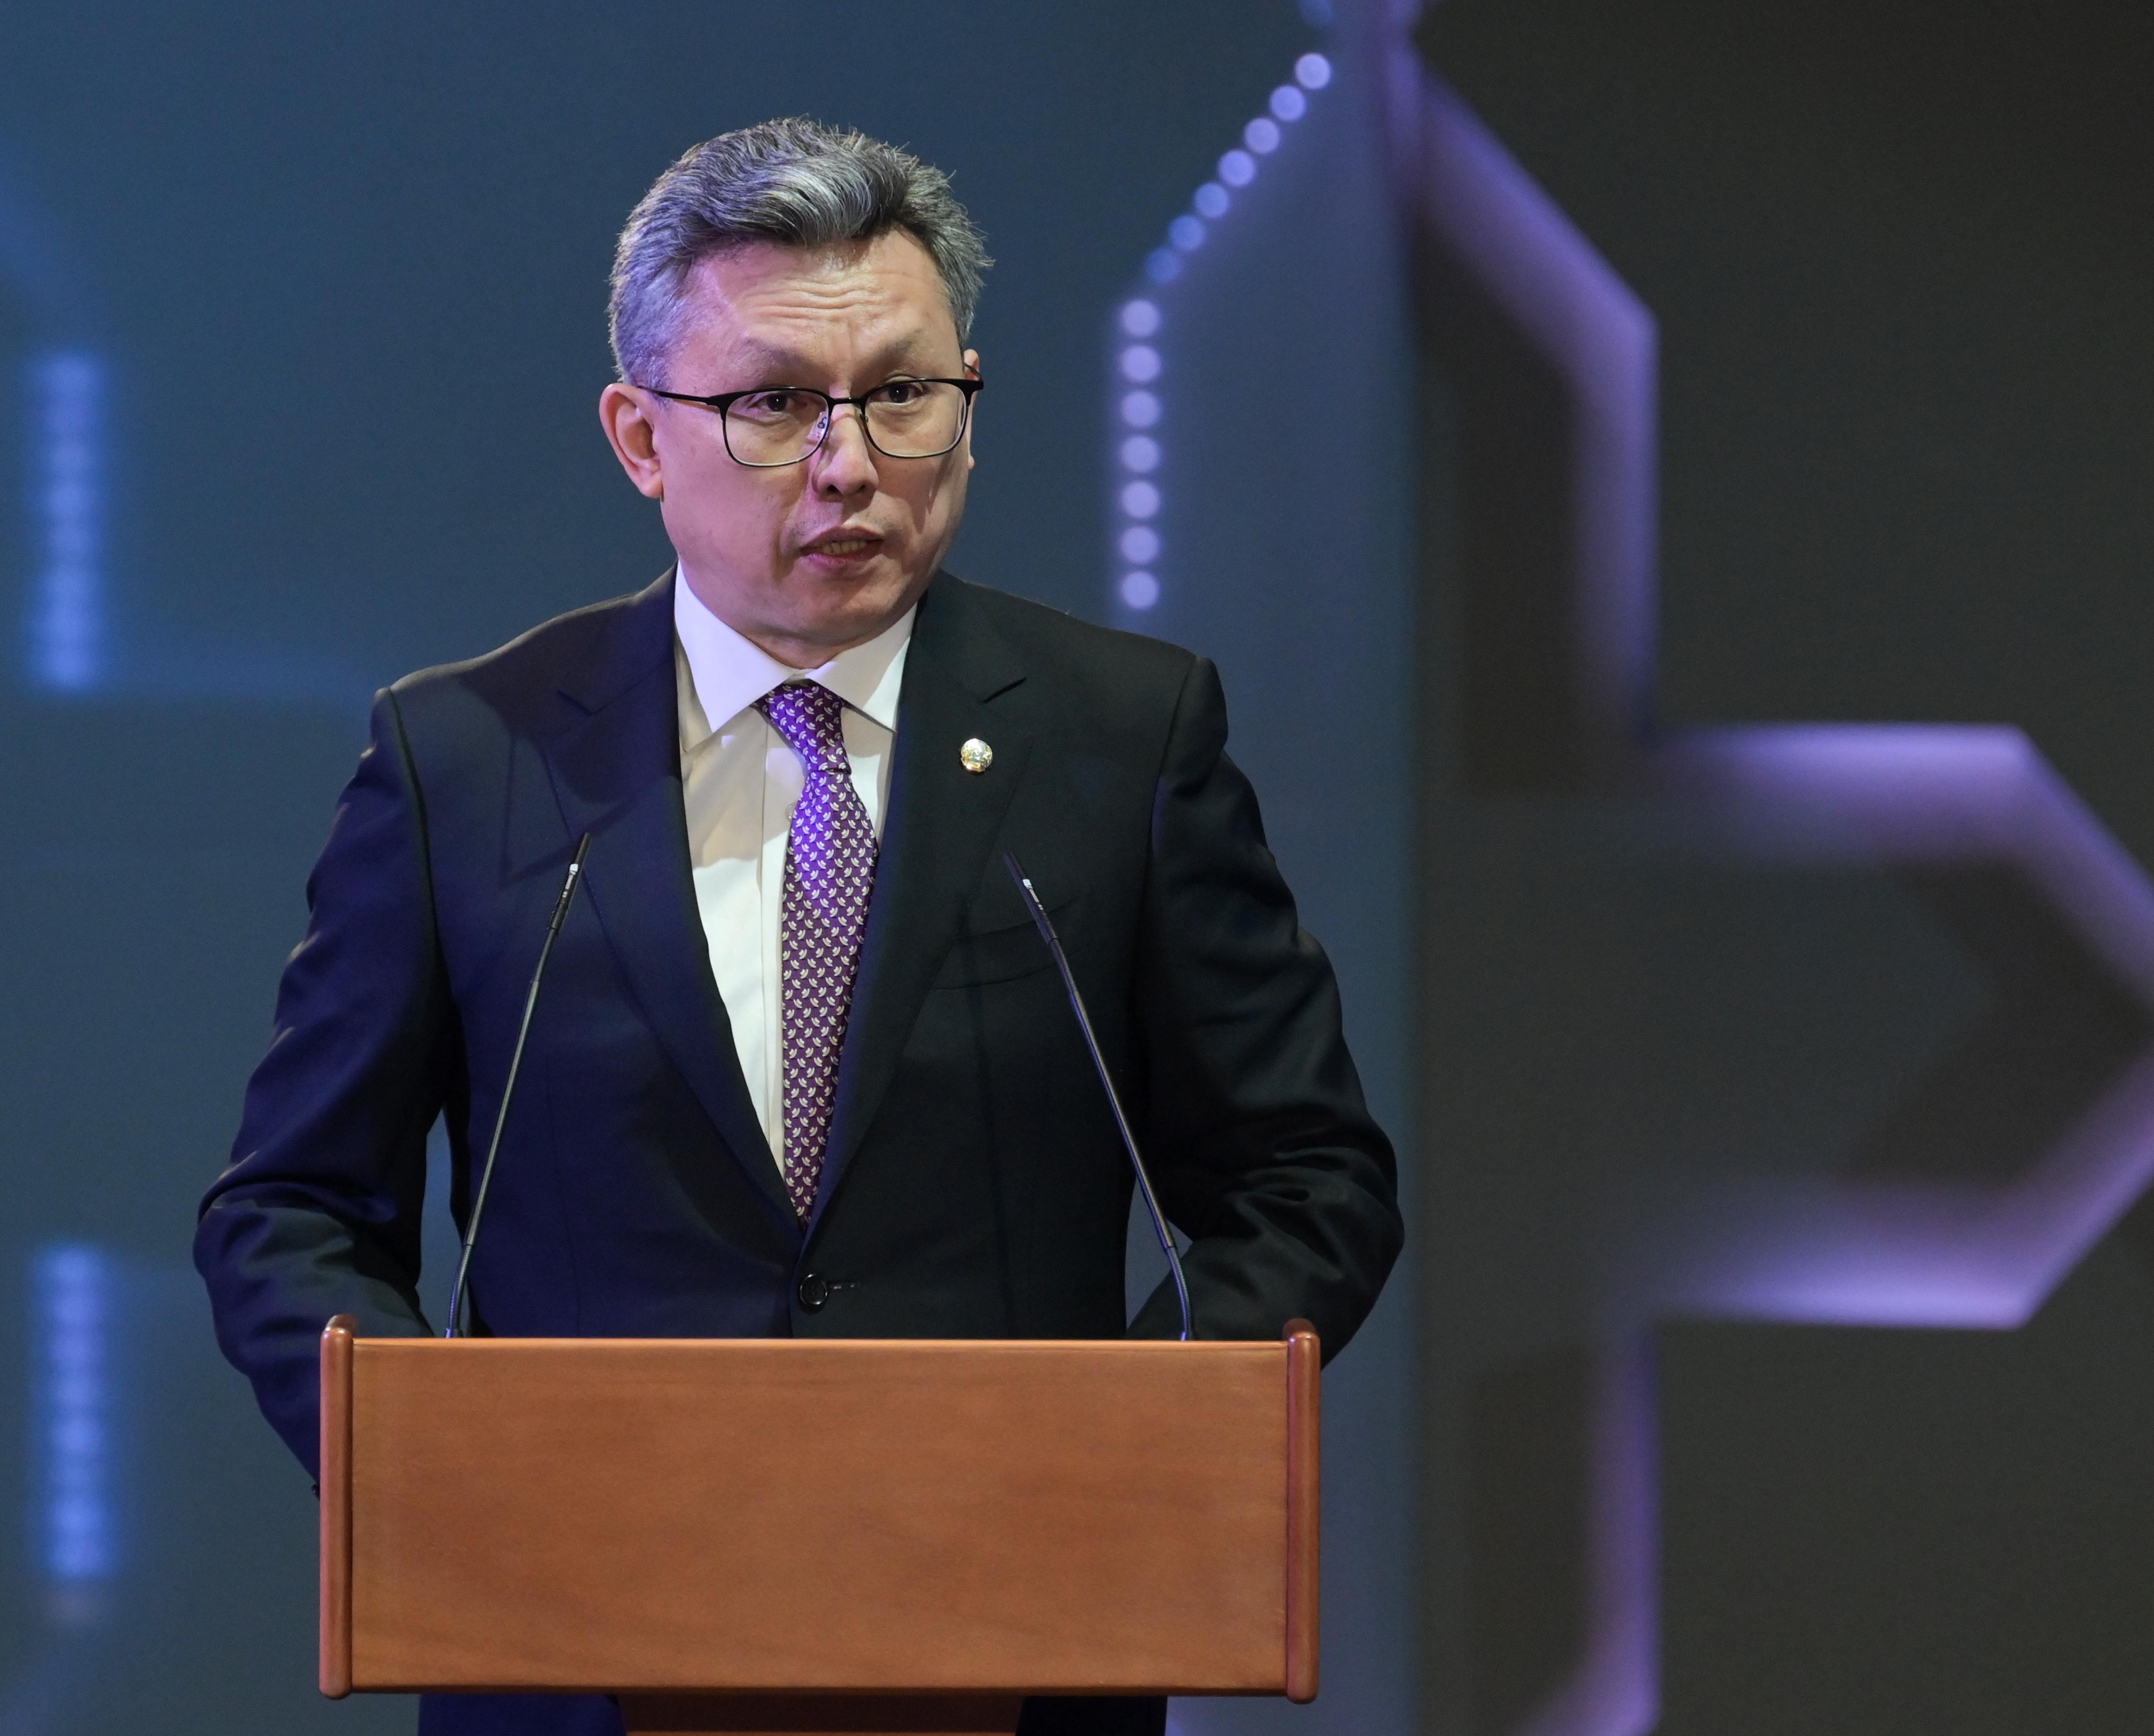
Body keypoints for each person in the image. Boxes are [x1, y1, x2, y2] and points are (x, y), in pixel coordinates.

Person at [195, 117, 1402, 1736]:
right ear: (640, 437)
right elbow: (287, 1210)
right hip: (575, 1653)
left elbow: (1307, 1181)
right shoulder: (470, 759)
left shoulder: (1123, 738)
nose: (849, 464)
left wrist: (1122, 1445)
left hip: (1012, 1649)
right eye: (773, 405)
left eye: (903, 396)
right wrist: (433, 1471)